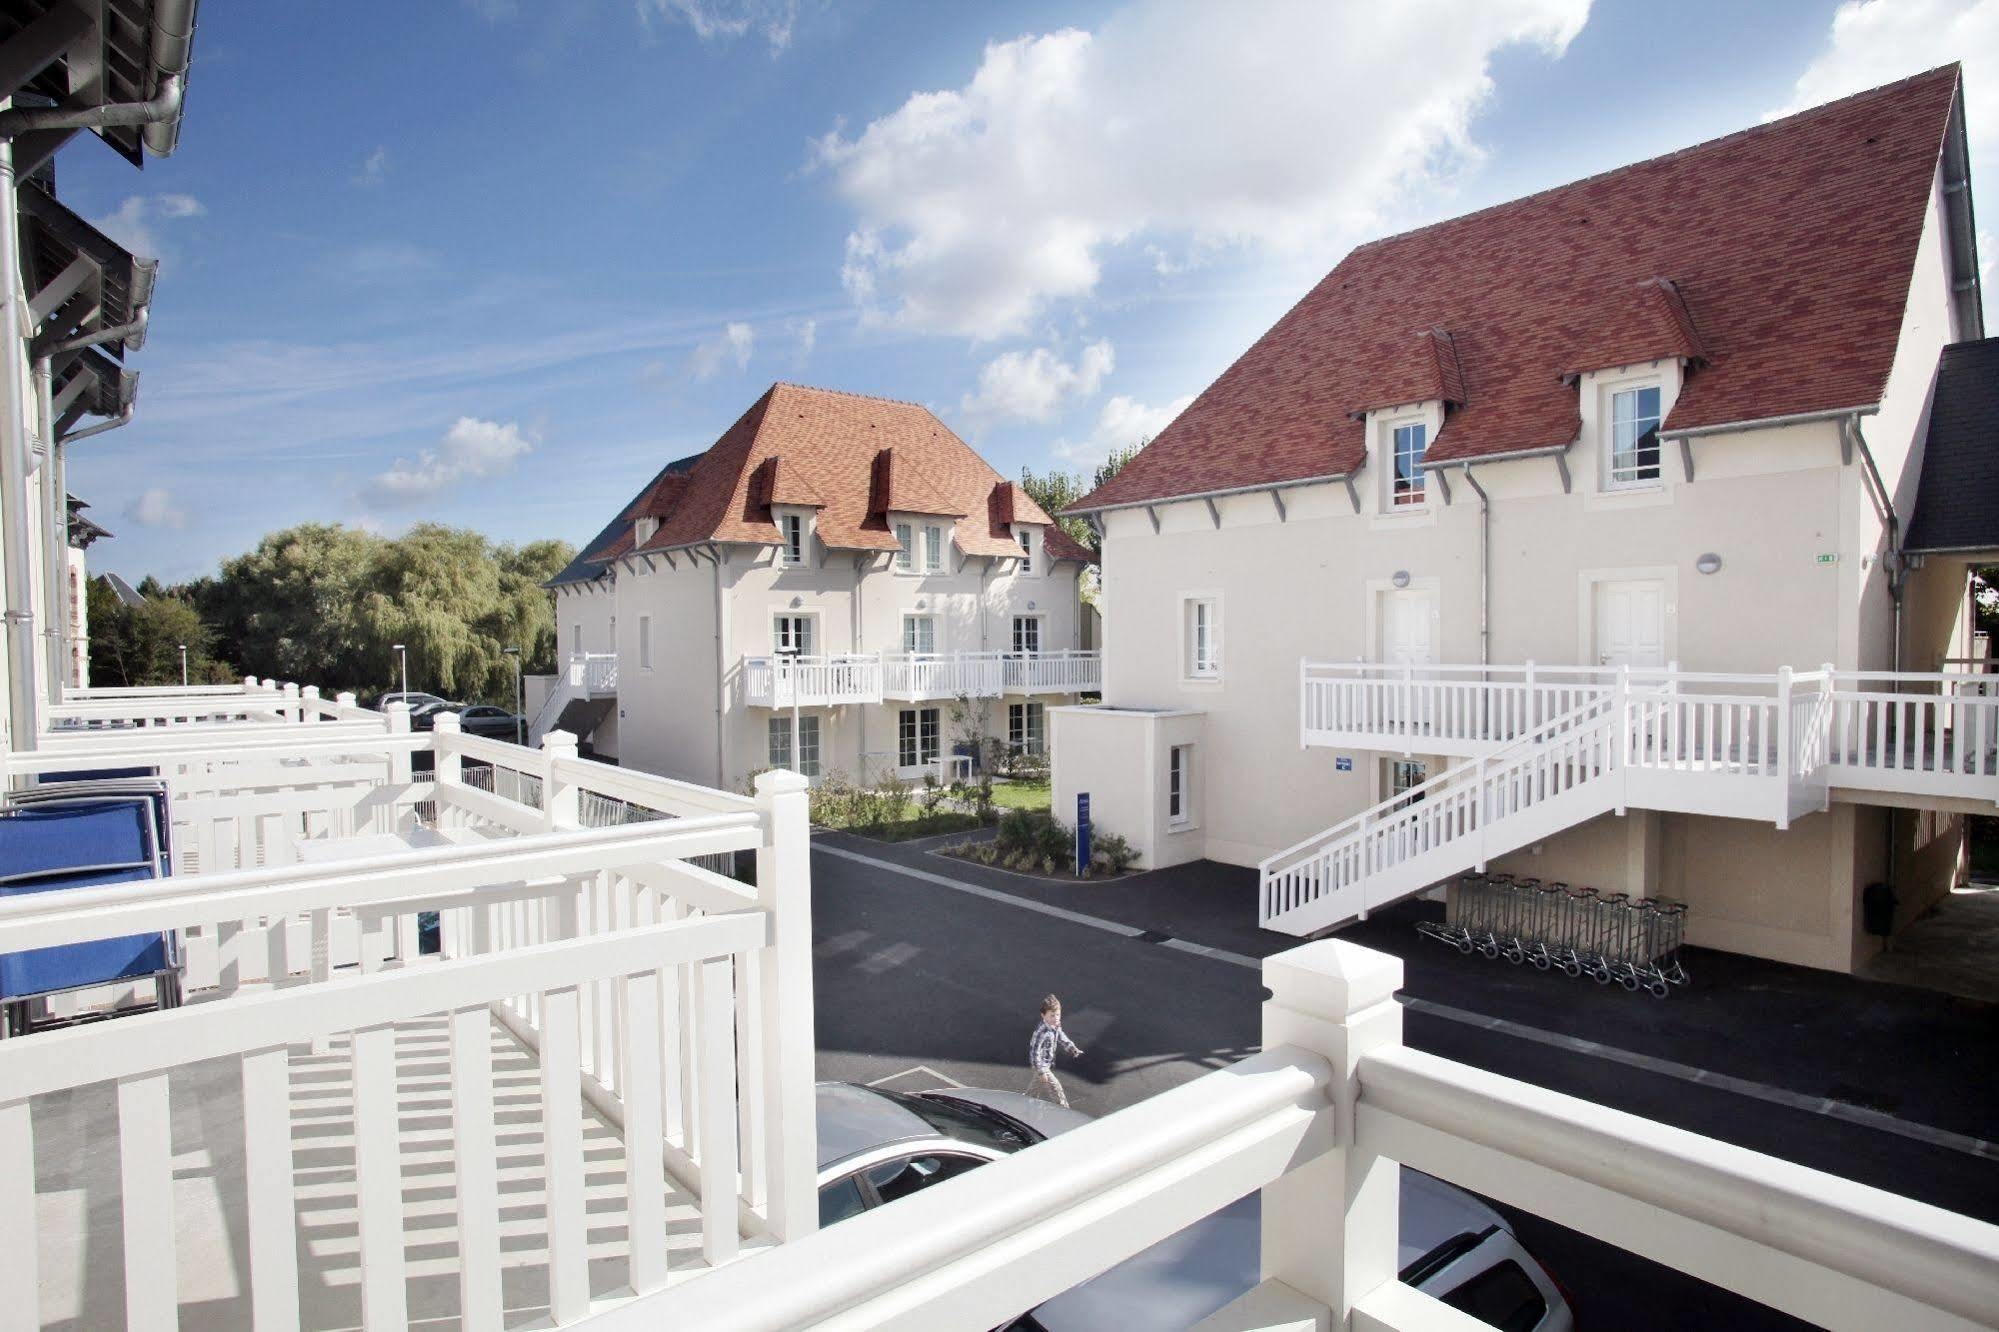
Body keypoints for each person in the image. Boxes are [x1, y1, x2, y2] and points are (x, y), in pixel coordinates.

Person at [1026, 993, 1083, 1108]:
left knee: (1035, 1087)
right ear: (1043, 1015)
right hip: (1041, 1065)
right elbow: (1034, 1052)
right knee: (1055, 1087)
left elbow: (1061, 1036)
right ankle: (1063, 1110)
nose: (1056, 1018)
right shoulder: (1041, 1031)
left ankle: (1026, 1102)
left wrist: (1071, 1047)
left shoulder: (1055, 1025)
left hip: (1046, 1064)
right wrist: (1041, 1071)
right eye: (1052, 1015)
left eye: (1058, 1015)